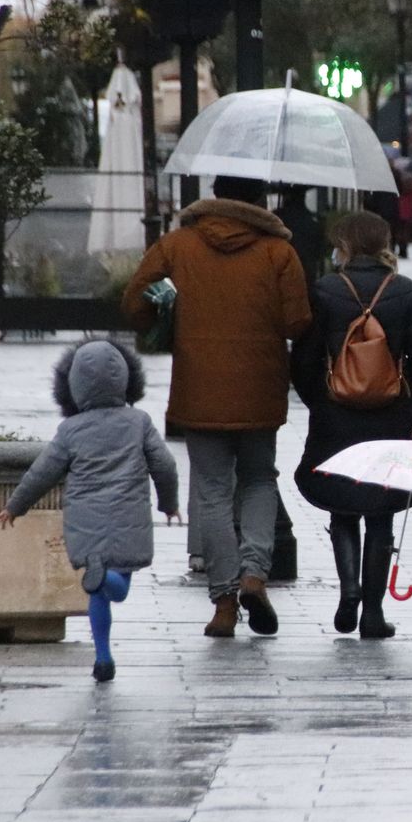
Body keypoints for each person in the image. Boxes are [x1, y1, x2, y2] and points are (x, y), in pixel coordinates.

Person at [122, 175, 312, 639]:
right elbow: (296, 321)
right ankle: (254, 576)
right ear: (259, 200)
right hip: (259, 388)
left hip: (199, 385)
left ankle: (224, 603)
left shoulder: (179, 244)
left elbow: (133, 304)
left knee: (210, 490)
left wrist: (169, 315)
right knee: (258, 480)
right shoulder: (277, 252)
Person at [291, 212, 412, 639]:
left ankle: (349, 591)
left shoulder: (324, 290)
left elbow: (302, 358)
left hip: (335, 417)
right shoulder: (406, 292)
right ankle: (373, 612)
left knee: (343, 505)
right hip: (390, 418)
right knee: (381, 511)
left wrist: (320, 399)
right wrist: (406, 399)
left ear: (345, 244)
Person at [0, 340, 180, 683]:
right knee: (118, 586)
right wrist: (168, 503)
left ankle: (103, 656)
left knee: (95, 593)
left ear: (72, 386)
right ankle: (104, 579)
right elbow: (165, 465)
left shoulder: (70, 431)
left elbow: (43, 472)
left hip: (84, 520)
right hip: (129, 516)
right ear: (127, 379)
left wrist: (15, 506)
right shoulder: (139, 422)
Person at [272, 186, 326, 281]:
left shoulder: (276, 221)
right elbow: (319, 252)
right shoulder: (312, 223)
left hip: (280, 274)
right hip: (306, 274)